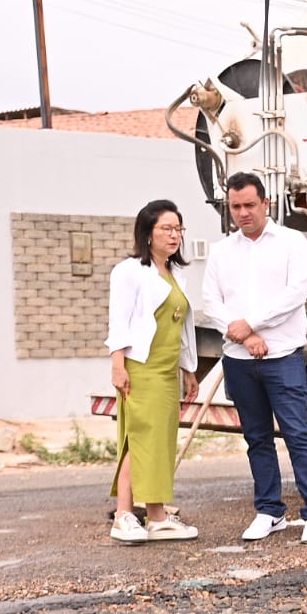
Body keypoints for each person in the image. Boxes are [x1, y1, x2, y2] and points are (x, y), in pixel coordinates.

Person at [201, 172, 307, 543]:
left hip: (283, 356)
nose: (242, 213)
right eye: (236, 206)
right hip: (238, 359)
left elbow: (295, 293)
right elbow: (211, 301)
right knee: (256, 438)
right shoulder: (221, 251)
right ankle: (269, 511)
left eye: (249, 205)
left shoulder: (291, 243)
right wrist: (243, 333)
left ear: (265, 204)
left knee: (297, 434)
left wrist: (252, 325)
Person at [105, 199, 199, 544]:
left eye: (178, 229)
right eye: (167, 229)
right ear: (147, 233)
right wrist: (117, 365)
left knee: (160, 441)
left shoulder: (175, 274)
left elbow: (182, 328)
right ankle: (124, 515)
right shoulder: (129, 271)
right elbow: (119, 321)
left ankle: (158, 517)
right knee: (141, 438)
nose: (174, 236)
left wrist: (190, 370)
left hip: (167, 369)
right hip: (141, 367)